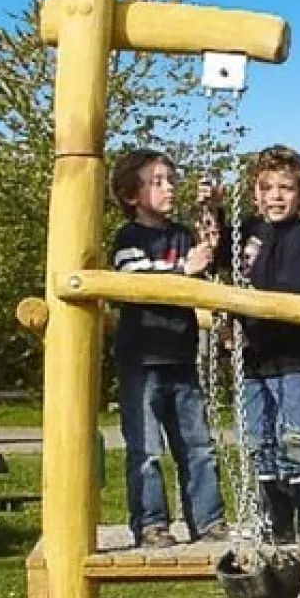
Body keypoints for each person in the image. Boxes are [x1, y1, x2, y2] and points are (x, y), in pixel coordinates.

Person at [110, 148, 228, 549]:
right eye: (156, 182)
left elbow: (211, 258)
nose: (168, 187)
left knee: (198, 447)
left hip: (181, 358)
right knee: (145, 450)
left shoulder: (181, 235)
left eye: (170, 180)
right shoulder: (129, 239)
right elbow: (134, 278)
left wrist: (213, 212)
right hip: (141, 361)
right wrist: (182, 270)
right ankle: (151, 524)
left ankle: (208, 521)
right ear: (132, 196)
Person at [232, 145, 300, 543]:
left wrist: (244, 317)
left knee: (296, 432)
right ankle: (275, 515)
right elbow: (222, 250)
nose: (275, 195)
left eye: (285, 188)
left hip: (292, 353)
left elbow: (288, 292)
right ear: (255, 193)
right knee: (259, 436)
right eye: (266, 187)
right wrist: (213, 212)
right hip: (255, 355)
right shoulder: (250, 232)